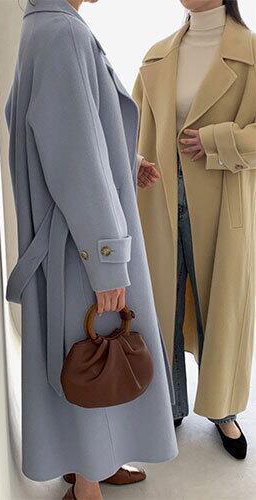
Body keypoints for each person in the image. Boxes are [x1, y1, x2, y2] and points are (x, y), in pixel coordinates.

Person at [5, 1, 178, 498]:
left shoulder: (44, 25)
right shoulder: (62, 33)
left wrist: (127, 161)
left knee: (87, 353)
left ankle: (94, 461)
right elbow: (74, 157)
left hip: (74, 235)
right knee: (96, 357)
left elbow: (72, 132)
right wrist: (107, 261)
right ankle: (87, 484)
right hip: (82, 244)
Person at [134, 0, 255, 460]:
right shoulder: (158, 54)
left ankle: (223, 409)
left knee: (220, 306)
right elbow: (129, 125)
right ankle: (169, 403)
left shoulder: (249, 53)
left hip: (224, 204)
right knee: (164, 302)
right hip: (159, 199)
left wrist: (217, 140)